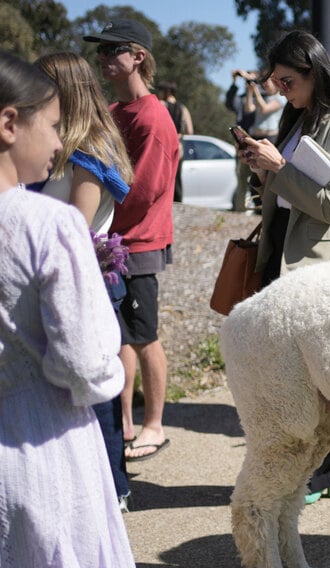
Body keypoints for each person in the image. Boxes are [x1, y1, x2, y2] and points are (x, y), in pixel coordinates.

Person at [0, 50, 146, 568]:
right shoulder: (46, 225)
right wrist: (111, 377)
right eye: (54, 125)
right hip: (45, 447)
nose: (60, 142)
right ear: (10, 124)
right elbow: (86, 363)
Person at [238, 30, 330, 499]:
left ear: (314, 72)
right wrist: (262, 170)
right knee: (299, 377)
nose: (279, 89)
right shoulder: (299, 118)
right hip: (288, 258)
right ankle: (312, 468)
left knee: (324, 379)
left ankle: (322, 471)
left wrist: (278, 168)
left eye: (287, 79)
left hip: (325, 268)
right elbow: (292, 196)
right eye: (275, 80)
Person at [34, 50, 136, 510]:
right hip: (64, 280)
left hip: (87, 282)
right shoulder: (62, 146)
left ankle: (113, 491)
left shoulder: (89, 151)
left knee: (96, 397)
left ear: (66, 91)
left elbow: (77, 225)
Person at [84, 18, 179, 461]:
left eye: (112, 50)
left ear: (138, 56)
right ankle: (121, 424)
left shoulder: (154, 116)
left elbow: (144, 190)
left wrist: (91, 215)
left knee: (144, 337)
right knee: (118, 337)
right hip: (111, 242)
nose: (103, 58)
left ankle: (154, 425)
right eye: (99, 52)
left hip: (137, 244)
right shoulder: (116, 112)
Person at [156, 80, 192, 202]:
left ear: (166, 91)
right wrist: (179, 134)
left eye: (160, 90)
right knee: (177, 176)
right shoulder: (183, 108)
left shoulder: (160, 104)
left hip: (165, 145)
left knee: (163, 175)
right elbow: (190, 130)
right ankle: (178, 201)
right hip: (179, 145)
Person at [226, 68, 258, 211]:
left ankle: (259, 212)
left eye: (251, 80)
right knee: (241, 181)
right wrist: (234, 82)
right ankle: (239, 211)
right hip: (242, 145)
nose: (248, 83)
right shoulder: (241, 99)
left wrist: (252, 83)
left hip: (258, 144)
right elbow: (229, 103)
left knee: (258, 182)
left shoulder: (261, 98)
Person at [247, 73, 286, 144]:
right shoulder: (262, 96)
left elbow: (265, 109)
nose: (265, 83)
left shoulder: (281, 98)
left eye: (268, 81)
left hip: (270, 137)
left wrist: (256, 90)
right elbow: (249, 109)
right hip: (255, 136)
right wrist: (249, 91)